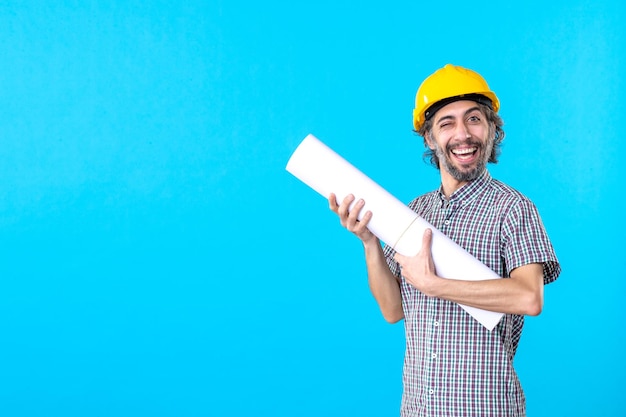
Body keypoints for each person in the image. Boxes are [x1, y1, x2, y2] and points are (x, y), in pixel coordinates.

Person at [329, 64, 560, 417]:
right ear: (429, 138)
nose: (463, 134)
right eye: (446, 123)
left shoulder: (514, 209)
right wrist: (369, 242)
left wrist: (435, 285)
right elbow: (393, 310)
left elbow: (529, 297)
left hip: (486, 409)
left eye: (474, 119)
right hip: (418, 408)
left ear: (492, 130)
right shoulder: (413, 212)